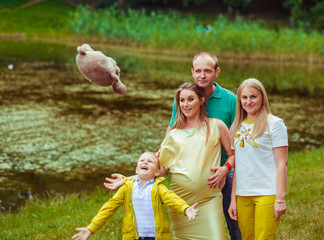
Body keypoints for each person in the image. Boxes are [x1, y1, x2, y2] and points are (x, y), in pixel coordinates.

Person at [105, 52, 241, 239]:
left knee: (233, 224)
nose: (202, 75)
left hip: (220, 179)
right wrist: (130, 179)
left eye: (207, 71)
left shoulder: (225, 109)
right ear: (192, 72)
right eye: (198, 71)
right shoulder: (176, 133)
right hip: (182, 199)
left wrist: (226, 169)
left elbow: (238, 147)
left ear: (216, 72)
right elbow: (159, 166)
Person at [72, 152, 199, 240]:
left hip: (157, 236)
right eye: (142, 160)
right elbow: (108, 208)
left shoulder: (158, 188)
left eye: (150, 161)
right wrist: (91, 228)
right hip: (132, 236)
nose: (145, 162)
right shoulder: (127, 188)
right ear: (136, 170)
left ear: (157, 172)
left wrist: (186, 209)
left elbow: (173, 199)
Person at [228, 78, 288, 240]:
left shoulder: (274, 124)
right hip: (243, 194)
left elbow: (282, 164)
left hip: (267, 193)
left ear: (262, 97)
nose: (248, 101)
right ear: (239, 100)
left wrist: (280, 199)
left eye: (253, 97)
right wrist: (233, 199)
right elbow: (238, 166)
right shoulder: (236, 127)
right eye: (244, 97)